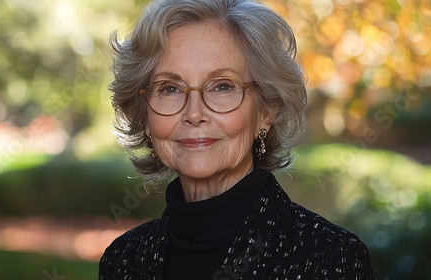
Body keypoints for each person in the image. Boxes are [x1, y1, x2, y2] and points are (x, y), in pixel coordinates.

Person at [99, 0, 374, 279]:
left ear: (267, 109)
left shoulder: (328, 257)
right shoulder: (124, 259)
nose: (194, 114)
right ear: (144, 115)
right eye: (169, 88)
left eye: (222, 86)